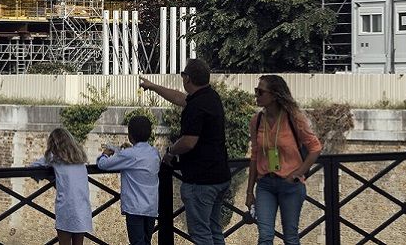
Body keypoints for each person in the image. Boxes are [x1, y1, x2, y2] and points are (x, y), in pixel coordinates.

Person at [141, 59, 231, 245]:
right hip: (220, 175)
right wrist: (153, 86)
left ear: (187, 78)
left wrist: (171, 151)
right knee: (214, 230)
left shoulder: (197, 106)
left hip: (201, 180)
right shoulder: (210, 97)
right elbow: (178, 98)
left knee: (201, 234)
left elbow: (189, 142)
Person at [244, 75, 322, 245]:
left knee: (290, 237)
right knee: (265, 236)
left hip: (290, 185)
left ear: (274, 95)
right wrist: (249, 191)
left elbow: (315, 148)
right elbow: (255, 156)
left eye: (260, 91)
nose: (256, 95)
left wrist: (297, 173)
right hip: (265, 184)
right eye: (256, 91)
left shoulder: (293, 118)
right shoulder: (256, 121)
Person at [97, 114, 161, 245]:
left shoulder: (129, 154)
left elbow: (103, 165)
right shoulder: (154, 153)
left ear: (130, 135)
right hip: (151, 206)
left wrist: (104, 154)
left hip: (134, 207)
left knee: (137, 242)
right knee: (146, 241)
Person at [32, 127, 93, 245]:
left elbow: (34, 167)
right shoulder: (80, 158)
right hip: (83, 206)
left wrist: (50, 177)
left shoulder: (54, 157)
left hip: (66, 207)